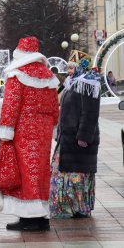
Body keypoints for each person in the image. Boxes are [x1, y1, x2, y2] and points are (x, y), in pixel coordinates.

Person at [0, 36, 59, 231]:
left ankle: (30, 218)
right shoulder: (48, 76)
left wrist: (5, 131)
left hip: (23, 131)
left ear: (20, 54)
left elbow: (11, 106)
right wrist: (53, 126)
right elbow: (54, 107)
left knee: (25, 173)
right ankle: (40, 216)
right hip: (43, 132)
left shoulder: (17, 75)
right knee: (40, 172)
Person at [49, 50, 101, 219]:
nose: (69, 71)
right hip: (67, 139)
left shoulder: (89, 84)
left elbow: (90, 113)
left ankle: (76, 207)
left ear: (82, 67)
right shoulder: (72, 83)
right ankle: (66, 207)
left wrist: (84, 136)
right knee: (61, 172)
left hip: (79, 140)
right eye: (69, 68)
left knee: (75, 174)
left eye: (73, 68)